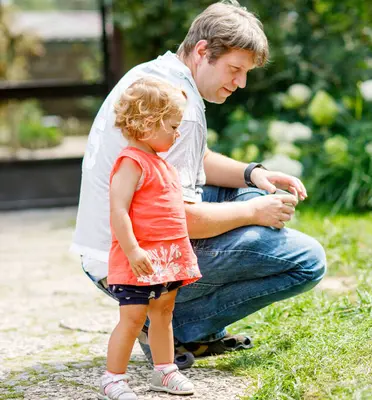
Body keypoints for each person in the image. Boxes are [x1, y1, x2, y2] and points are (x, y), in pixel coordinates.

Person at [71, 0, 327, 370]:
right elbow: (182, 219)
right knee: (307, 260)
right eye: (235, 69)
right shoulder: (186, 108)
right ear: (203, 51)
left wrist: (254, 173)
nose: (241, 83)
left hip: (104, 252)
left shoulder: (157, 75)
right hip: (126, 263)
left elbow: (196, 158)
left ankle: (169, 318)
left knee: (255, 194)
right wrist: (254, 211)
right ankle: (170, 323)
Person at [100, 77, 201, 399]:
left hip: (166, 256)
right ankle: (113, 378)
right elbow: (118, 211)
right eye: (172, 126)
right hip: (139, 258)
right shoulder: (131, 162)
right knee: (132, 318)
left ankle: (164, 370)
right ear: (146, 124)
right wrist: (132, 251)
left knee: (164, 312)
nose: (177, 133)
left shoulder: (162, 164)